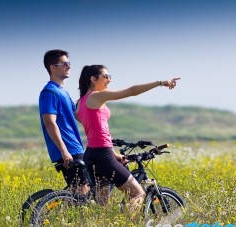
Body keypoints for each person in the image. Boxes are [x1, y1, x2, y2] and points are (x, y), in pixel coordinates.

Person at [76, 64, 180, 215]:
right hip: (102, 155)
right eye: (106, 76)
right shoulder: (97, 96)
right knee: (138, 193)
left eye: (110, 77)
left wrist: (113, 153)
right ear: (93, 79)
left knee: (102, 204)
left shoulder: (81, 102)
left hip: (91, 153)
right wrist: (160, 83)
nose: (109, 80)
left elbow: (98, 130)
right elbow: (132, 91)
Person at [39, 49, 89, 195]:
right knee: (81, 191)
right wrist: (64, 151)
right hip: (68, 149)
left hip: (75, 146)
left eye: (69, 63)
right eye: (65, 63)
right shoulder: (49, 92)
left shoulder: (63, 92)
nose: (69, 66)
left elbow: (78, 115)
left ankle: (69, 213)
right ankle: (69, 217)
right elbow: (50, 123)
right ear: (52, 67)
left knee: (87, 187)